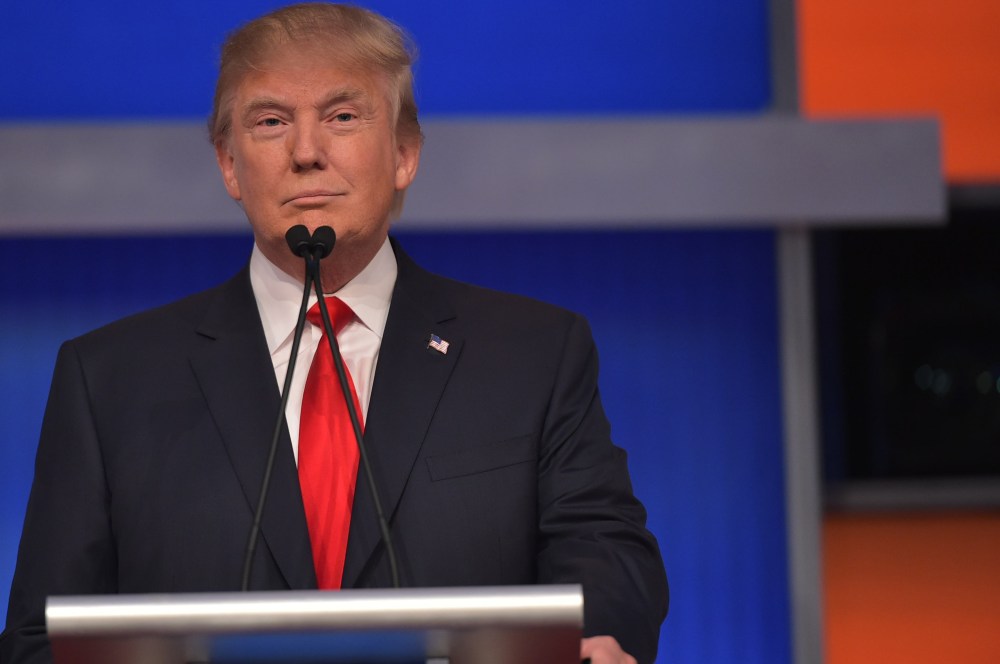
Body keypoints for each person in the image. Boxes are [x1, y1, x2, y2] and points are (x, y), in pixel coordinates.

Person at [0, 4, 668, 663]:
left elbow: (609, 559)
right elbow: (40, 637)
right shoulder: (110, 378)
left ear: (404, 153)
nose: (306, 152)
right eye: (270, 122)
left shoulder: (532, 353)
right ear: (229, 163)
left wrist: (592, 638)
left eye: (342, 117)